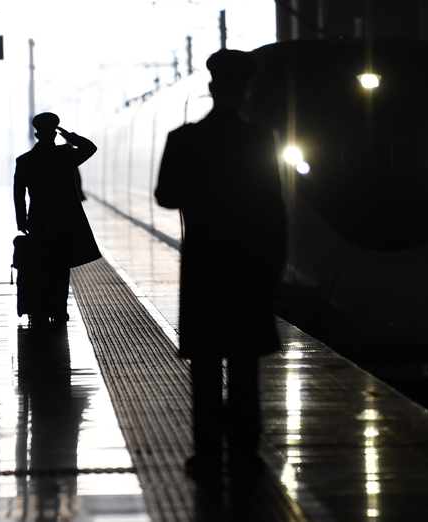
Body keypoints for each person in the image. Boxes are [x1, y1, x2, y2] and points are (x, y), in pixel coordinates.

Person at [155, 49, 287, 479]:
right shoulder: (261, 141)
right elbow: (274, 210)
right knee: (245, 366)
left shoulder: (184, 139)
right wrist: (273, 270)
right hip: (248, 268)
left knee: (207, 366)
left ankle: (207, 454)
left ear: (210, 88)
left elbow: (166, 196)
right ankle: (246, 454)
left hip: (204, 267)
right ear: (245, 92)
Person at [13, 112, 101, 325]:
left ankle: (40, 308)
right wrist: (70, 136)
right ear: (54, 133)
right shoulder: (66, 155)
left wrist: (22, 220)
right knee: (61, 267)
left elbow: (19, 193)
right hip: (65, 219)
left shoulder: (25, 160)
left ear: (36, 134)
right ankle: (59, 309)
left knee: (40, 265)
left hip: (38, 220)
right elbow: (90, 148)